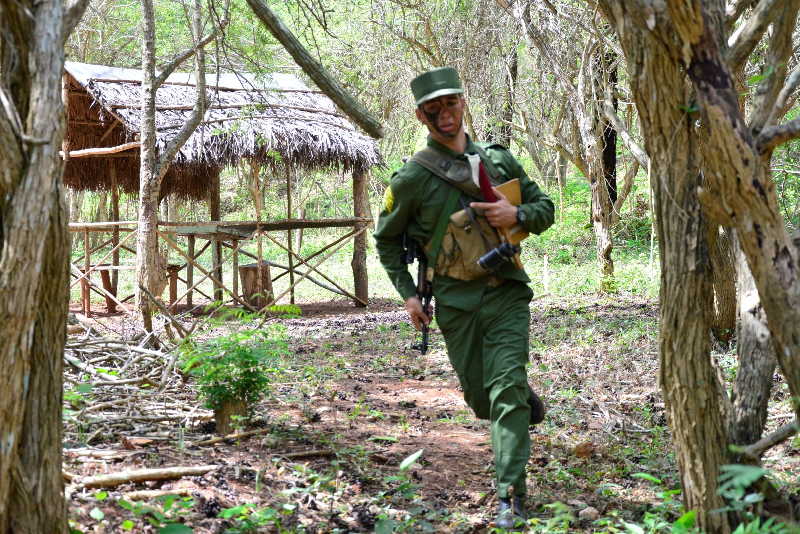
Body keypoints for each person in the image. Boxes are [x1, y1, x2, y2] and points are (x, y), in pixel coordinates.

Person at [374, 67, 555, 529]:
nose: (445, 114)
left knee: (506, 389)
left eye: (451, 103)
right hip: (454, 302)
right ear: (421, 115)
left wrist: (515, 212)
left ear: (462, 103)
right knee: (482, 399)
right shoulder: (412, 177)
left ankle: (510, 496)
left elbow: (545, 210)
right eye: (434, 109)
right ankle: (511, 402)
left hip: (507, 293)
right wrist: (409, 296)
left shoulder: (497, 162)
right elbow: (386, 239)